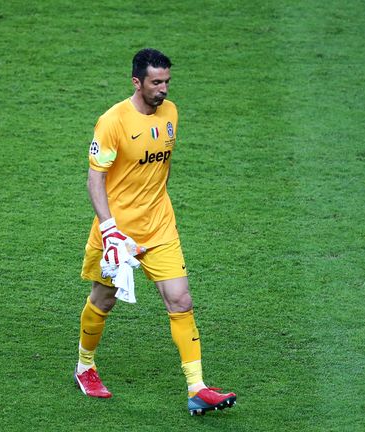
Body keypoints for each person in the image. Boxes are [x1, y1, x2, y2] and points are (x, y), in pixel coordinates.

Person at [73, 48, 237, 416]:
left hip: (160, 227)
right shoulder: (112, 122)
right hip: (117, 233)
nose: (163, 89)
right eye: (156, 82)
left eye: (167, 82)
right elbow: (94, 180)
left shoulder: (172, 114)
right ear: (137, 82)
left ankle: (197, 387)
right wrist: (111, 229)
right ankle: (85, 367)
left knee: (181, 300)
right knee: (103, 301)